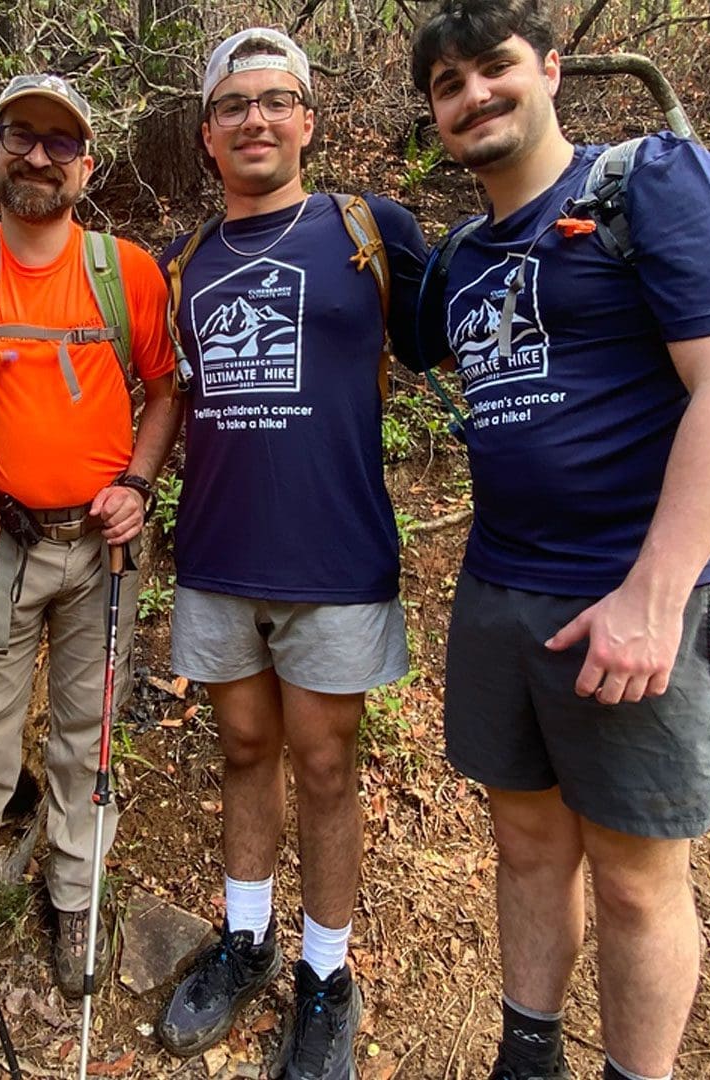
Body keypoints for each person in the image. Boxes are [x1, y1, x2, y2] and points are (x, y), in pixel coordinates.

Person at [410, 3, 710, 1078]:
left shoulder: (654, 184)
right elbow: (397, 326)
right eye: (449, 86)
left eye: (494, 70)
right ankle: (529, 1055)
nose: (475, 96)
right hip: (501, 589)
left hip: (638, 593)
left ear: (552, 70)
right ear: (435, 116)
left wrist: (654, 596)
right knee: (526, 846)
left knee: (633, 877)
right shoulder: (466, 258)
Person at [151, 28, 428, 1080]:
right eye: (233, 106)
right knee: (241, 756)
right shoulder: (186, 262)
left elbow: (474, 325)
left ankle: (326, 974)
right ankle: (249, 940)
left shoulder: (369, 229)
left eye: (276, 101)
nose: (255, 120)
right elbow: (166, 397)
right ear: (208, 134)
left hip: (336, 558)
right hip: (221, 556)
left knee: (325, 765)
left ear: (308, 122)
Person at [0, 73, 179, 995]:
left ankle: (75, 893)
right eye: (20, 135)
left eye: (60, 144)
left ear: (86, 166)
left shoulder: (125, 270)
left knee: (86, 730)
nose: (37, 157)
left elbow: (166, 387)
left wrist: (138, 483)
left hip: (100, 544)